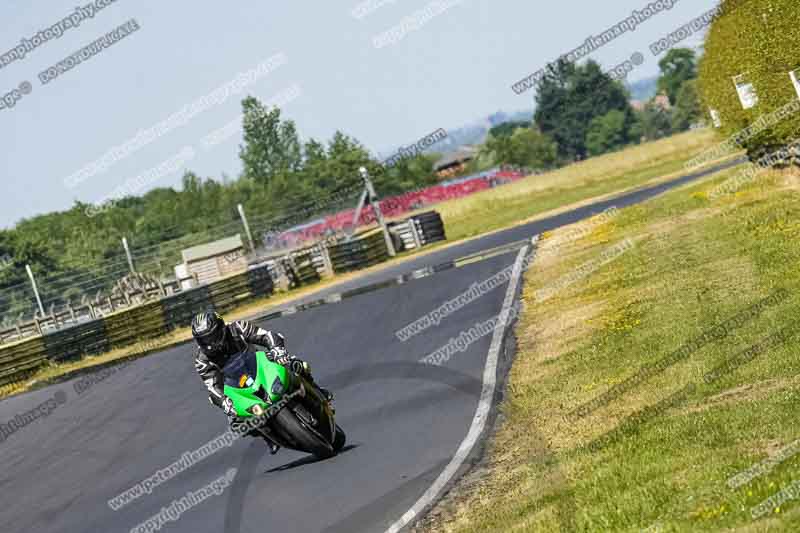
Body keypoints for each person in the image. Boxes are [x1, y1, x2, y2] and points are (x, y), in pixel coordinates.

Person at [191, 311, 332, 454]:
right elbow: (212, 386)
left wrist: (277, 350)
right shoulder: (201, 360)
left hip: (260, 365)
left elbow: (267, 335)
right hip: (236, 385)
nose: (209, 343)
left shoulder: (237, 328)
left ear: (220, 328)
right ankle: (267, 436)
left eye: (211, 337)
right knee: (236, 423)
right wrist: (224, 402)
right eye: (203, 340)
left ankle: (317, 389)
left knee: (294, 363)